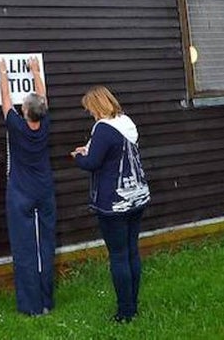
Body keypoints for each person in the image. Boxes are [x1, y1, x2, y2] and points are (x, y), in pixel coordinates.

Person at [71, 86, 148, 323]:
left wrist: (79, 156)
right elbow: (115, 153)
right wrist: (91, 149)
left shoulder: (103, 128)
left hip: (114, 202)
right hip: (138, 196)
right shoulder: (126, 122)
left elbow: (92, 163)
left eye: (90, 110)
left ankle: (125, 313)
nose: (90, 114)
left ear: (96, 106)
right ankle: (133, 304)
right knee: (132, 251)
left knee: (118, 255)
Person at [0, 55, 55, 316]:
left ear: (25, 112)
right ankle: (46, 302)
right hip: (44, 192)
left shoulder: (16, 127)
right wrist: (35, 71)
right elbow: (43, 98)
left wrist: (2, 72)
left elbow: (5, 100)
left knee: (24, 248)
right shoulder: (44, 125)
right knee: (44, 246)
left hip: (20, 194)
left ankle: (31, 306)